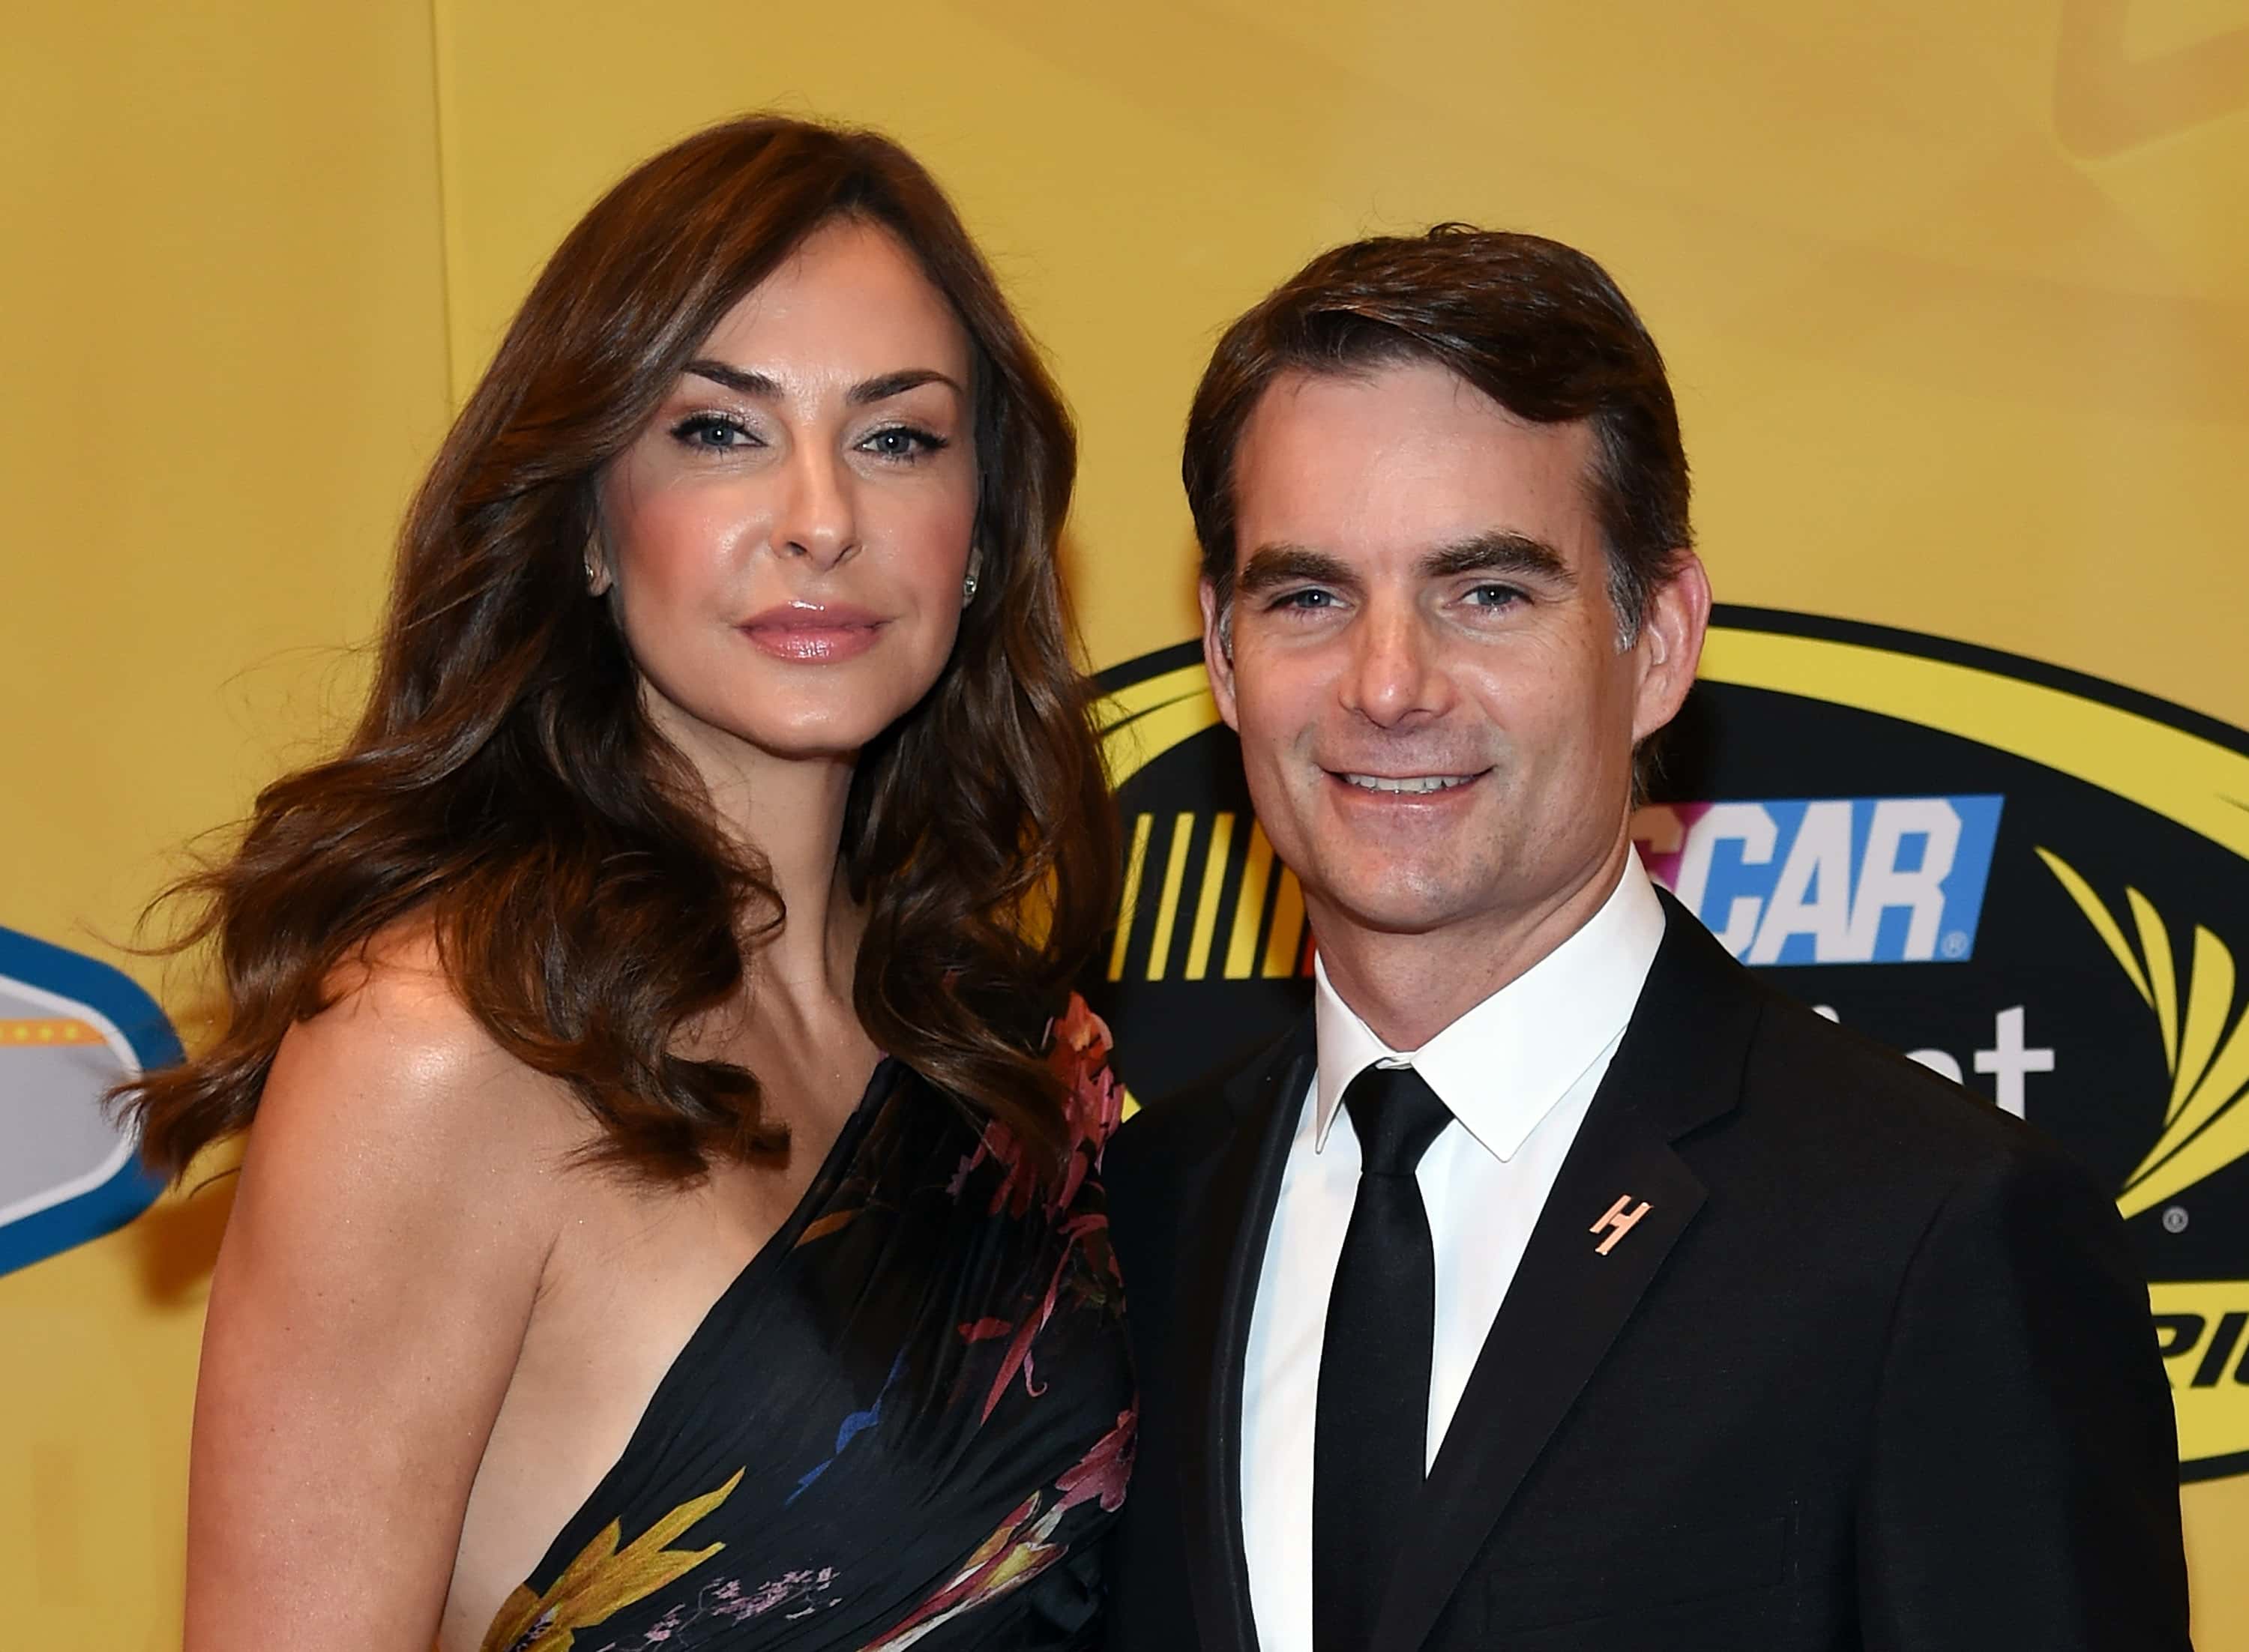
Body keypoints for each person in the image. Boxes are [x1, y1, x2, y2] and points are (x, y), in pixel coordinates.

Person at [121, 116, 1131, 1652]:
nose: (821, 518)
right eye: (719, 432)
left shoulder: (1003, 1047)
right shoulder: (441, 1049)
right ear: (590, 523)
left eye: (898, 438)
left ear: (983, 533)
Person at [1102, 226, 2190, 1651]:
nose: (1388, 684)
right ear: (1221, 653)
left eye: (1488, 593)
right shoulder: (1137, 1217)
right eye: (1310, 596)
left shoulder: (1937, 1232)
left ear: (1660, 639)